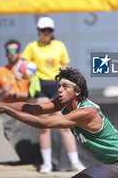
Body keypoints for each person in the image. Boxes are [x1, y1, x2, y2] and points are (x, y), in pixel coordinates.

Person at [0, 67, 118, 178]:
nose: (60, 90)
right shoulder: (61, 103)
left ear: (77, 92)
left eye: (65, 87)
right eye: (59, 86)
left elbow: (43, 124)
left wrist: (6, 110)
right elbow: (32, 108)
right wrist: (0, 104)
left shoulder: (87, 111)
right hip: (107, 163)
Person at [21, 16, 84, 173]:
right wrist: (24, 71)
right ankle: (47, 164)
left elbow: (65, 65)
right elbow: (23, 65)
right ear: (38, 31)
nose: (46, 33)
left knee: (65, 125)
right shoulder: (32, 46)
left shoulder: (59, 45)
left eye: (49, 30)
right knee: (44, 126)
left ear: (53, 31)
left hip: (57, 85)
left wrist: (67, 84)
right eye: (43, 30)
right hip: (40, 85)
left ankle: (75, 162)